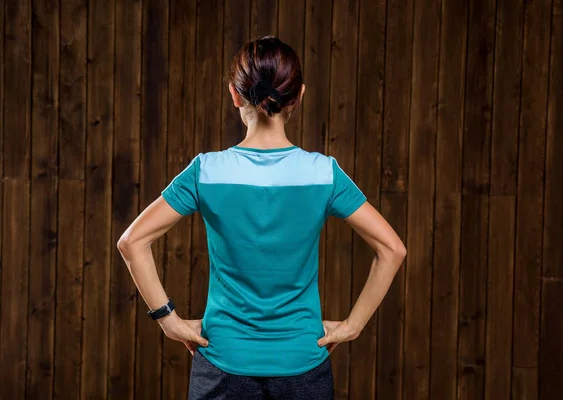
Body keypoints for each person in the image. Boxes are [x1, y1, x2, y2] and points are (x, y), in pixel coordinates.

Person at [117, 35, 406, 400]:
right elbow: (392, 249)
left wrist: (168, 320)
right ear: (299, 96)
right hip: (304, 366)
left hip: (222, 365)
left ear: (235, 95)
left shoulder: (206, 171)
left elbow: (131, 241)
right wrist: (353, 325)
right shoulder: (324, 173)